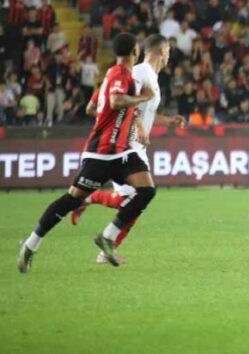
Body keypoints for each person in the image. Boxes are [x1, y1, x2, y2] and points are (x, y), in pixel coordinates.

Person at [18, 33, 156, 273]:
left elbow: (92, 106)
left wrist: (114, 121)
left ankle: (107, 237)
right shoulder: (119, 74)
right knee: (71, 200)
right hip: (101, 154)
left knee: (146, 191)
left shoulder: (116, 77)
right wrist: (141, 98)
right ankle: (30, 245)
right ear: (135, 52)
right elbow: (114, 101)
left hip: (121, 153)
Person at [70, 34, 184, 263]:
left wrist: (168, 121)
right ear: (162, 51)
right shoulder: (141, 72)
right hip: (125, 143)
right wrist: (140, 125)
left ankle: (104, 242)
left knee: (134, 202)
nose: (170, 55)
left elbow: (145, 112)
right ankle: (104, 241)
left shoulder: (153, 78)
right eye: (169, 51)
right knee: (137, 198)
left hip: (136, 145)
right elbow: (123, 103)